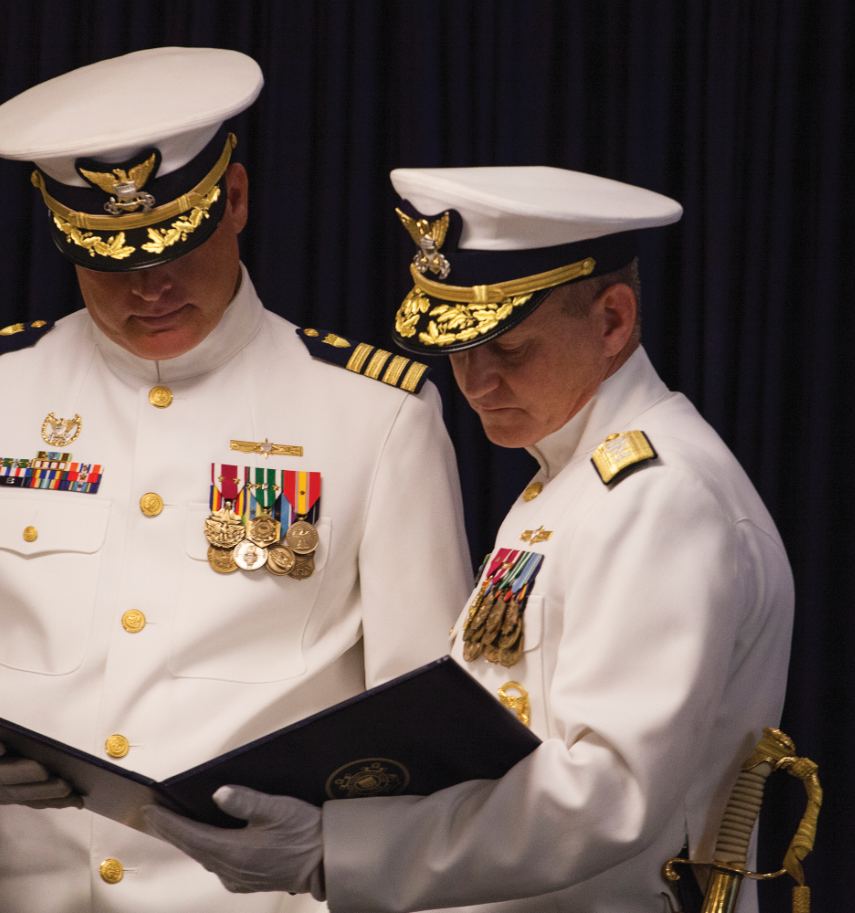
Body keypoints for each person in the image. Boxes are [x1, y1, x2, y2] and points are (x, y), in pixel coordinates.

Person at [0, 48, 472, 913]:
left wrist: (343, 859)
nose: (149, 288)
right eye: (109, 260)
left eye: (174, 247)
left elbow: (418, 706)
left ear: (235, 199)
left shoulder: (375, 415)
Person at [143, 166, 795, 913]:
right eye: (458, 348)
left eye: (509, 349)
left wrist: (341, 847)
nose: (476, 382)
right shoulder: (573, 476)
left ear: (613, 320)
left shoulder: (660, 495)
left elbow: (608, 791)